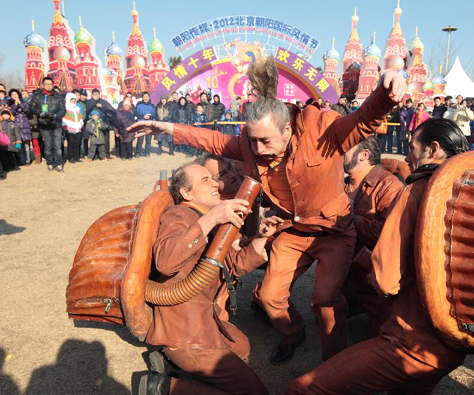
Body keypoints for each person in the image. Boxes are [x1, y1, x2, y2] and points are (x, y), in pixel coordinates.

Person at [128, 56, 405, 363]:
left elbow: (364, 119)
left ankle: (333, 364)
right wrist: (163, 126)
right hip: (291, 230)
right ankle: (293, 335)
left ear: (288, 129)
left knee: (325, 300)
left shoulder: (323, 133)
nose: (257, 149)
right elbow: (213, 140)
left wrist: (387, 91)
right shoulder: (249, 144)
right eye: (253, 140)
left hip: (333, 233)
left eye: (265, 140)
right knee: (269, 296)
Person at [285, 119, 470, 395]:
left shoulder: (417, 192)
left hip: (410, 337)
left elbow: (385, 279)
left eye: (411, 148)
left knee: (302, 391)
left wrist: (351, 227)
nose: (406, 157)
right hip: (455, 335)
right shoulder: (469, 195)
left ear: (433, 150)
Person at [138, 162, 282, 395]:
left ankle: (168, 362)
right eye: (205, 180)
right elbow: (165, 260)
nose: (215, 183)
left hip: (204, 318)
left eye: (213, 179)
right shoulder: (180, 214)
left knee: (242, 346)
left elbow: (233, 265)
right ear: (186, 193)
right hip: (185, 332)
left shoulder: (205, 219)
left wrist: (261, 238)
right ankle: (162, 389)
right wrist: (213, 217)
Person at [341, 135, 404, 333]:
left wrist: (350, 218)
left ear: (364, 155)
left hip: (372, 276)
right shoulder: (341, 181)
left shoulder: (389, 185)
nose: (339, 153)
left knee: (386, 334)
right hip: (345, 272)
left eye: (346, 149)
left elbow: (389, 233)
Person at [29, 76, 66, 171]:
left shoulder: (58, 96)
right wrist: (39, 113)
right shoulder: (37, 95)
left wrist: (56, 116)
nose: (49, 86)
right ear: (43, 85)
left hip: (56, 124)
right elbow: (31, 107)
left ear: (53, 85)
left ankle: (58, 163)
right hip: (44, 124)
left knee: (57, 145)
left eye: (50, 84)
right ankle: (50, 163)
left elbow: (63, 110)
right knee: (48, 145)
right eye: (47, 84)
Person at [86, 89, 116, 159]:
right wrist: (94, 101)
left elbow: (110, 110)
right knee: (94, 139)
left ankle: (106, 154)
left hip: (103, 122)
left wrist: (102, 107)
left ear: (99, 95)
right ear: (92, 95)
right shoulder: (89, 102)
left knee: (105, 139)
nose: (96, 96)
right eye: (94, 94)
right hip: (92, 123)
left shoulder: (103, 102)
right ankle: (95, 155)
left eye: (97, 94)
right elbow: (87, 110)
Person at [8, 89, 32, 166]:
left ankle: (28, 160)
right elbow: (12, 113)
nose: (14, 96)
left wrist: (20, 104)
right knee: (19, 144)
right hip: (17, 126)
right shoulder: (11, 105)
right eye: (12, 95)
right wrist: (15, 105)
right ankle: (22, 160)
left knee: (26, 145)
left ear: (19, 95)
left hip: (25, 125)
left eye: (16, 94)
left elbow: (27, 111)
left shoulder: (25, 103)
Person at [62, 93, 84, 164]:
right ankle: (70, 157)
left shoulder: (77, 108)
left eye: (75, 99)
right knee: (71, 144)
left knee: (78, 143)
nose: (74, 101)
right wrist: (66, 127)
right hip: (69, 129)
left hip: (78, 128)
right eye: (72, 99)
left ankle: (77, 157)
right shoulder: (65, 108)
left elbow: (80, 117)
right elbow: (63, 119)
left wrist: (81, 124)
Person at [135, 92, 156, 157]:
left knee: (148, 140)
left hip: (149, 124)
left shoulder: (152, 105)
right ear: (142, 97)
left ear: (149, 97)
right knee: (140, 139)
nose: (146, 98)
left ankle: (147, 152)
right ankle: (138, 153)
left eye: (147, 97)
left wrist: (150, 116)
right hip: (141, 124)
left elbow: (155, 114)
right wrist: (143, 116)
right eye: (144, 96)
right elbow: (136, 113)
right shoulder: (139, 105)